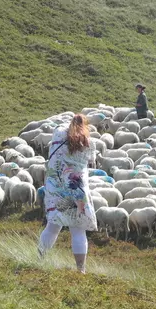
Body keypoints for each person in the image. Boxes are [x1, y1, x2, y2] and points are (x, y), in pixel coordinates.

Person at [38, 114, 97, 274]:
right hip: (75, 186)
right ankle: (81, 270)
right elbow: (90, 161)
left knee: (53, 226)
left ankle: (39, 260)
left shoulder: (57, 135)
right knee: (78, 229)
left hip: (55, 185)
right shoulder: (88, 142)